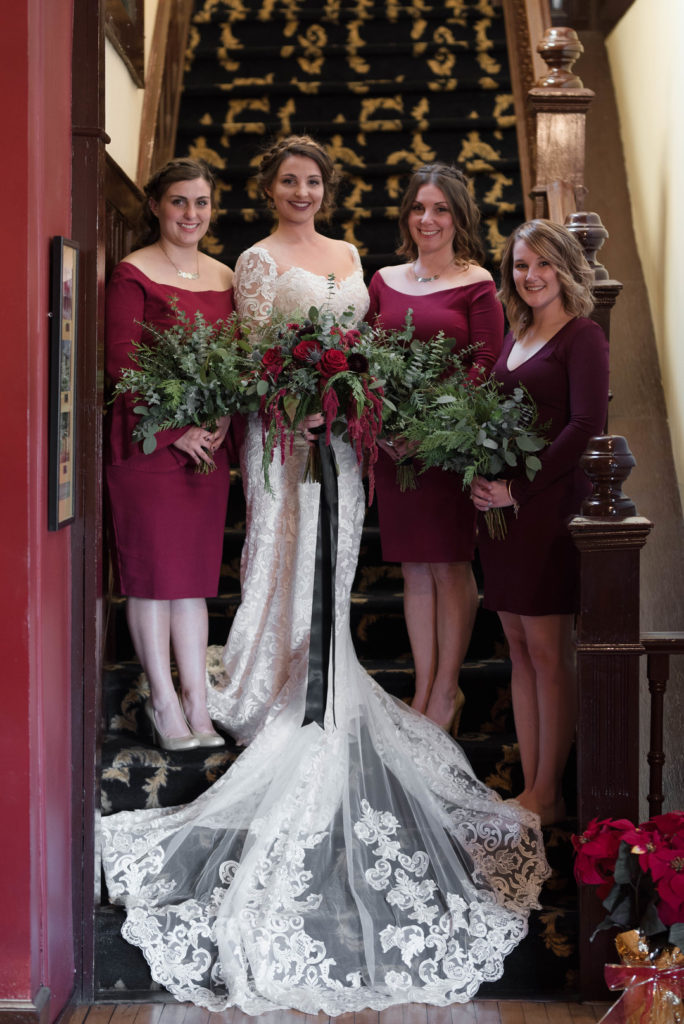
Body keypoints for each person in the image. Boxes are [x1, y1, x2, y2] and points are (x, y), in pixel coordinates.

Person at [100, 137, 550, 1016]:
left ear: (327, 190)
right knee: (283, 550)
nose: (301, 191)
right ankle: (272, 676)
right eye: (287, 181)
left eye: (313, 181)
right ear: (269, 190)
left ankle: (325, 662)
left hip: (346, 435)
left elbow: (365, 341)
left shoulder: (354, 260)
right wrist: (292, 406)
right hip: (285, 430)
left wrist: (342, 400)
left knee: (339, 560)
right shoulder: (256, 263)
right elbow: (259, 346)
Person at [470, 219, 610, 826]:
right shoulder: (515, 332)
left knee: (550, 652)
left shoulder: (584, 337)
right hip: (501, 515)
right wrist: (478, 472)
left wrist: (516, 488)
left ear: (565, 267)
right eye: (521, 266)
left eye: (543, 264)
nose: (530, 276)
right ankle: (531, 787)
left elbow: (586, 427)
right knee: (520, 650)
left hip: (548, 508)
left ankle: (551, 792)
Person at [367, 164, 504, 731]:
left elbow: (487, 364)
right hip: (395, 451)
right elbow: (368, 362)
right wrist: (380, 425)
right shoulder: (384, 280)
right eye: (420, 208)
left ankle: (448, 691)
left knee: (449, 567)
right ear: (407, 215)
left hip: (448, 450)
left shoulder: (479, 283)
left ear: (460, 217)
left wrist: (431, 428)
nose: (428, 219)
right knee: (414, 572)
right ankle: (423, 689)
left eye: (441, 209)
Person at [105, 157, 233, 750]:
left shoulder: (226, 277)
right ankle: (163, 702)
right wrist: (175, 431)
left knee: (193, 583)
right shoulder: (132, 274)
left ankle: (198, 708)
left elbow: (237, 365)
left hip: (209, 448)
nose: (191, 214)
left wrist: (221, 417)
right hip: (150, 445)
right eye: (179, 201)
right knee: (154, 581)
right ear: (156, 205)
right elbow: (123, 364)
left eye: (200, 202)